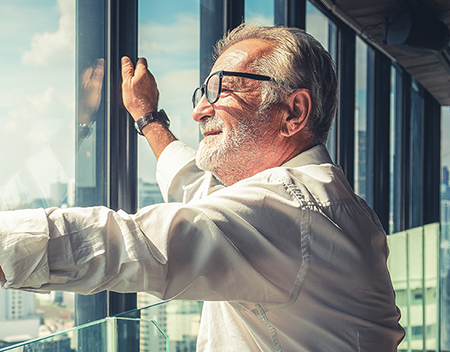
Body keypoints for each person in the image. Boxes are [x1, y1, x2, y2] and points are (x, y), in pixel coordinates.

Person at [0, 24, 404, 351]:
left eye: (222, 89)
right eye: (202, 92)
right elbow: (197, 186)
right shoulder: (321, 203)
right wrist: (148, 118)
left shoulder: (295, 211)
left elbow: (134, 243)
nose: (197, 111)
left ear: (294, 112)